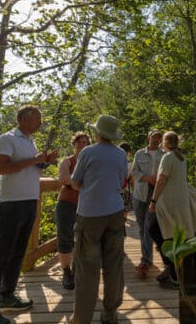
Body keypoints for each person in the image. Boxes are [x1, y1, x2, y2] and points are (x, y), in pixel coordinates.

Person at [0, 105, 59, 324]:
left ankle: (6, 296)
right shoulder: (7, 138)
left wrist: (44, 161)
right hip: (10, 204)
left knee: (17, 253)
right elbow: (1, 168)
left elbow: (30, 169)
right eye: (37, 119)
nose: (41, 123)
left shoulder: (30, 141)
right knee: (0, 256)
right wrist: (33, 160)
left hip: (29, 201)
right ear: (23, 119)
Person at [70, 115, 127, 324]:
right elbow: (121, 182)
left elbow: (75, 183)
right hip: (115, 213)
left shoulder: (88, 152)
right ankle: (110, 313)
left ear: (97, 133)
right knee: (114, 264)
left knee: (87, 268)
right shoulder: (121, 154)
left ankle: (82, 318)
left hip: (90, 215)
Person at [147, 131, 193, 289]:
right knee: (168, 234)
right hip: (179, 202)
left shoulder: (168, 157)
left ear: (165, 143)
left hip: (168, 202)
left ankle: (172, 273)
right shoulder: (181, 157)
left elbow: (161, 180)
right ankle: (171, 270)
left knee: (154, 230)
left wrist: (153, 200)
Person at [55, 131, 90, 290]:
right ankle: (66, 272)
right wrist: (84, 186)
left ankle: (77, 268)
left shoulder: (91, 161)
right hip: (67, 204)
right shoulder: (68, 161)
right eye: (80, 142)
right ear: (74, 144)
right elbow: (64, 179)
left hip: (86, 205)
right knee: (65, 237)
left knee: (83, 238)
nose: (82, 145)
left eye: (85, 142)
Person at [131, 129, 164, 277]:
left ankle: (145, 260)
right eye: (154, 136)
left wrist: (156, 179)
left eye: (159, 137)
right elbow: (134, 172)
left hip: (155, 194)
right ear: (148, 137)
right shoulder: (139, 154)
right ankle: (148, 258)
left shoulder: (164, 154)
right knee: (141, 227)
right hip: (139, 194)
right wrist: (147, 177)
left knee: (148, 227)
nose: (156, 139)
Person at [118, 142, 134, 218]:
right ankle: (124, 220)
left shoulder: (114, 162)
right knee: (125, 210)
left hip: (116, 190)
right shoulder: (130, 164)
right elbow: (132, 180)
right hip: (126, 190)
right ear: (129, 153)